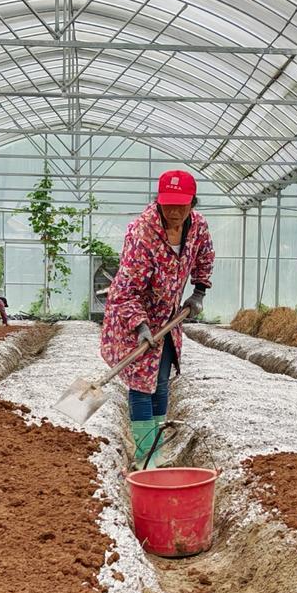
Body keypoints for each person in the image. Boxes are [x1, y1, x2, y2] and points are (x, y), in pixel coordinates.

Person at [100, 170, 215, 469]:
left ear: (192, 202)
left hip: (169, 317)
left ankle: (156, 450)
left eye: (182, 204)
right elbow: (127, 289)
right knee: (141, 383)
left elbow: (205, 257)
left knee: (161, 383)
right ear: (158, 202)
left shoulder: (198, 227)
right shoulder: (142, 233)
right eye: (168, 205)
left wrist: (198, 291)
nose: (174, 211)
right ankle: (144, 457)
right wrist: (140, 325)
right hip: (132, 313)